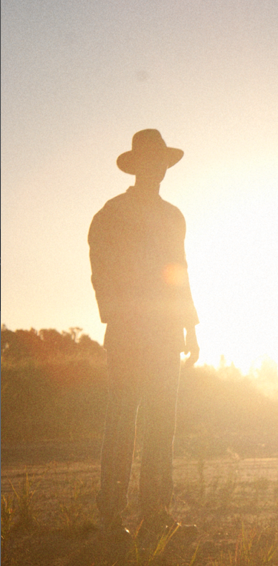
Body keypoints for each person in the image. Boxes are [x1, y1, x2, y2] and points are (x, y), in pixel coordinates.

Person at [89, 129, 200, 538]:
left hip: (166, 334)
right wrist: (117, 317)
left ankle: (156, 513)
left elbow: (180, 274)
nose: (158, 170)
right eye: (151, 162)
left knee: (160, 426)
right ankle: (110, 516)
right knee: (122, 422)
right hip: (128, 333)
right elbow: (100, 268)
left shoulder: (174, 216)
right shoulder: (112, 213)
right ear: (137, 166)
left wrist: (190, 327)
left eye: (162, 163)